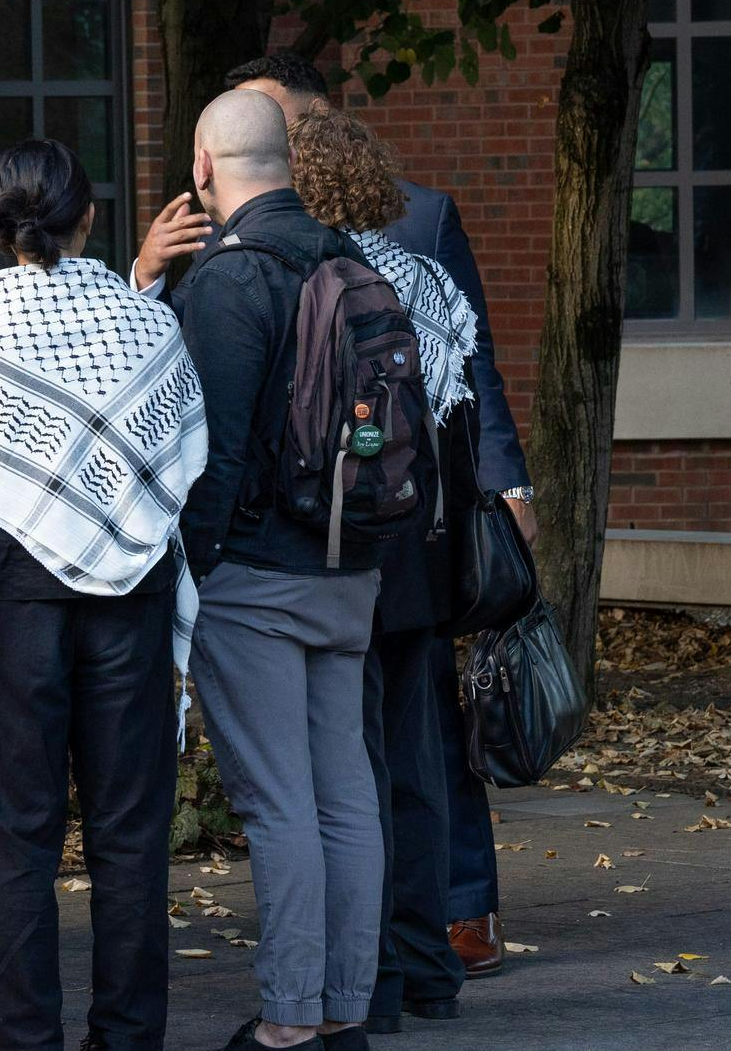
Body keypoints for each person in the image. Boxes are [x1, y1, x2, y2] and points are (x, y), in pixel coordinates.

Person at [224, 52, 536, 978]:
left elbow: (474, 368)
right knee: (375, 729)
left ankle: (457, 907)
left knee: (420, 722)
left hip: (402, 516)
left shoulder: (420, 220)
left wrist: (508, 483)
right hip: (342, 520)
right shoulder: (252, 229)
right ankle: (392, 932)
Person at [0, 140, 207, 1051]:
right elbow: (178, 462)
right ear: (88, 219)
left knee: (16, 838)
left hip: (17, 597)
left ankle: (26, 1039)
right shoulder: (145, 325)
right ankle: (129, 1037)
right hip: (132, 593)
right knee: (130, 831)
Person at [177, 90, 381, 1051]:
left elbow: (211, 453)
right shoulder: (352, 257)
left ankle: (292, 1019)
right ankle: (346, 1007)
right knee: (345, 792)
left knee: (277, 803)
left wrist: (196, 570)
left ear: (205, 166)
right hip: (353, 565)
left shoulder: (230, 277)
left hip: (255, 574)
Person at [283, 104, 481, 1034]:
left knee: (351, 765)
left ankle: (375, 985)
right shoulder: (423, 278)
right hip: (424, 550)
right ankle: (428, 959)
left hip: (347, 546)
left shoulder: (311, 279)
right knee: (419, 758)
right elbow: (462, 415)